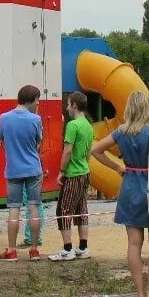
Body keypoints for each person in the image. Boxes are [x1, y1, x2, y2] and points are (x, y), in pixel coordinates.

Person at [91, 90, 149, 297]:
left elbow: (96, 150)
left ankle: (140, 294)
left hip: (129, 189)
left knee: (134, 243)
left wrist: (117, 166)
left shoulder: (121, 132)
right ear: (147, 108)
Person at [0, 85, 45, 261]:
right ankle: (34, 250)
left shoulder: (4, 118)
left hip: (13, 169)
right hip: (33, 168)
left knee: (14, 208)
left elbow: (0, 139)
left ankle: (12, 250)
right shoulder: (36, 119)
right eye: (37, 99)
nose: (38, 102)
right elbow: (38, 143)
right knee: (33, 207)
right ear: (31, 100)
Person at [49, 91, 94, 261]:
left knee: (64, 210)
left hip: (73, 174)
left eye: (68, 104)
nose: (67, 107)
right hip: (84, 171)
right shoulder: (89, 125)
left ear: (74, 104)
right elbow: (89, 151)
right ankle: (83, 247)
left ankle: (67, 249)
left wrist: (61, 171)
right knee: (82, 209)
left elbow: (67, 150)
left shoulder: (72, 125)